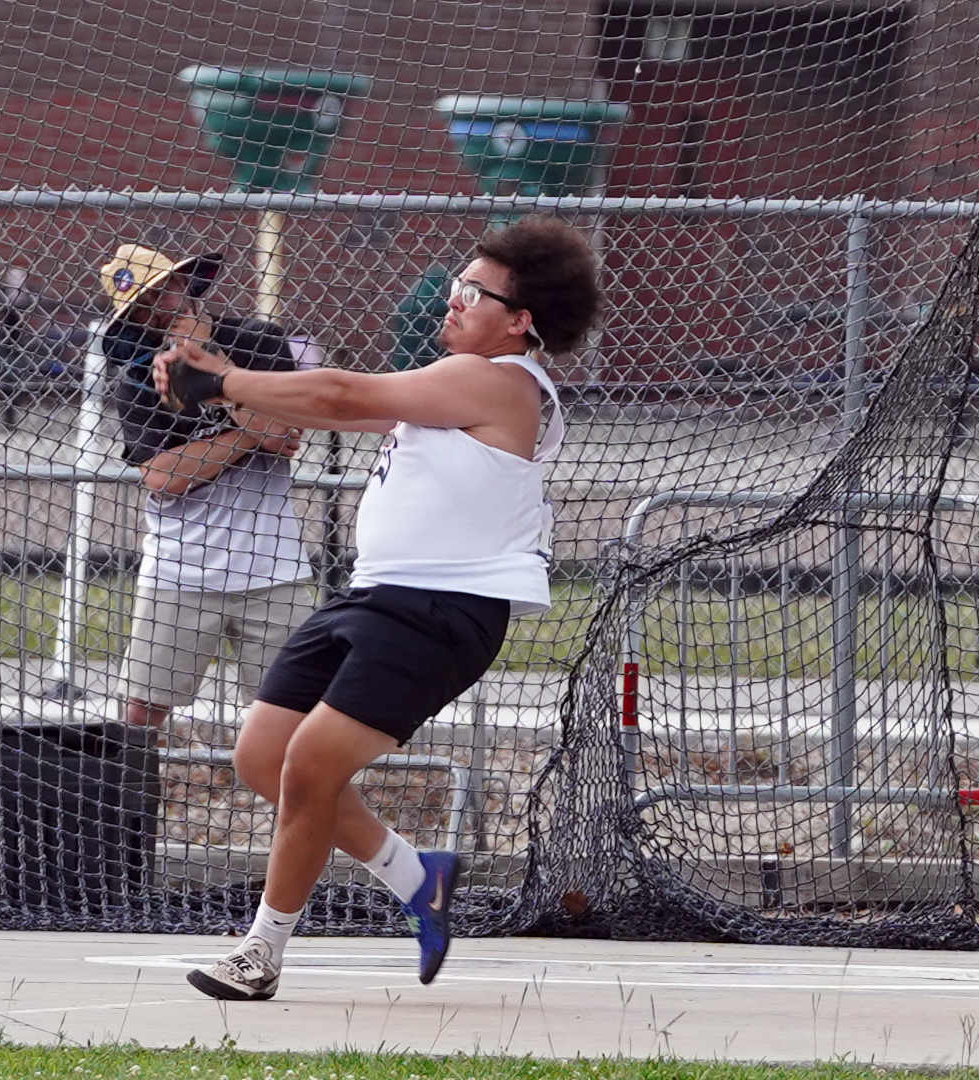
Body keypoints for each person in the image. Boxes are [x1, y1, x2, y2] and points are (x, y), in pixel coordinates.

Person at [153, 216, 604, 1000]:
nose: (455, 299)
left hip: (442, 612)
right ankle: (416, 876)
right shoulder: (453, 374)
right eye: (459, 284)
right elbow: (336, 408)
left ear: (519, 319)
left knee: (310, 766)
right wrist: (223, 379)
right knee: (263, 755)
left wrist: (219, 379)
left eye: (475, 291)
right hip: (374, 594)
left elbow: (341, 389)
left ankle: (260, 953)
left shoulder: (501, 381)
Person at [97, 243, 315, 731]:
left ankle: (290, 808)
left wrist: (214, 374)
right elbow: (165, 477)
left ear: (184, 286)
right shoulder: (138, 375)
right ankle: (129, 806)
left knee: (292, 716)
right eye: (142, 307)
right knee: (141, 711)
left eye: (163, 293)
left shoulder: (257, 342)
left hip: (273, 567)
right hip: (181, 569)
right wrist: (246, 424)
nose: (158, 310)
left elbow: (283, 434)